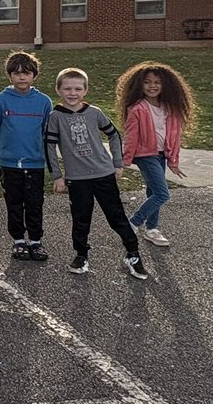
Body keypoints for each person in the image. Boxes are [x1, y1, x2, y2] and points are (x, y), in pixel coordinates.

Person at [45, 68, 149, 280]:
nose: (72, 93)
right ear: (58, 90)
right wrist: (57, 175)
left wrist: (117, 163)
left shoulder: (95, 112)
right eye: (67, 88)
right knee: (81, 219)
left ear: (85, 90)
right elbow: (48, 147)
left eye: (77, 88)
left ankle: (133, 254)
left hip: (103, 174)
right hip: (77, 178)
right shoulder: (55, 117)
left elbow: (113, 135)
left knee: (116, 217)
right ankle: (81, 255)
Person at [117, 61, 196, 247]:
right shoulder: (137, 109)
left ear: (165, 86)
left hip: (161, 155)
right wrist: (125, 160)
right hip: (145, 155)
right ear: (139, 85)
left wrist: (173, 160)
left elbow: (174, 137)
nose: (152, 86)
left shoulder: (170, 109)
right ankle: (133, 223)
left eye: (157, 82)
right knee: (162, 193)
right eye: (147, 82)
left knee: (153, 191)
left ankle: (152, 229)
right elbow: (130, 136)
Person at [0, 50, 53, 261]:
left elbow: (46, 131)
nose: (21, 77)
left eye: (26, 73)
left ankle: (35, 240)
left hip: (35, 163)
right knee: (14, 203)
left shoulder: (43, 101)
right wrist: (6, 151)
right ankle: (18, 240)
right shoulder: (1, 100)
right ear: (10, 76)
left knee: (35, 203)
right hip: (9, 163)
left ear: (34, 75)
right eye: (16, 73)